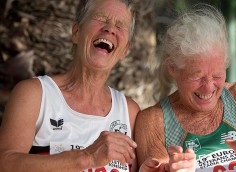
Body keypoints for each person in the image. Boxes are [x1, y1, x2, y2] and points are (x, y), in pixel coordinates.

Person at [135, 3, 236, 172]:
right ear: (173, 68)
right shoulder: (154, 121)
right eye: (197, 76)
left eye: (217, 75)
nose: (208, 88)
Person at [0, 0, 139, 171]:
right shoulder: (35, 94)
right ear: (76, 32)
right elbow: (5, 163)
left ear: (125, 51)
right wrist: (86, 158)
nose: (110, 28)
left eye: (120, 25)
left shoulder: (130, 112)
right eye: (101, 19)